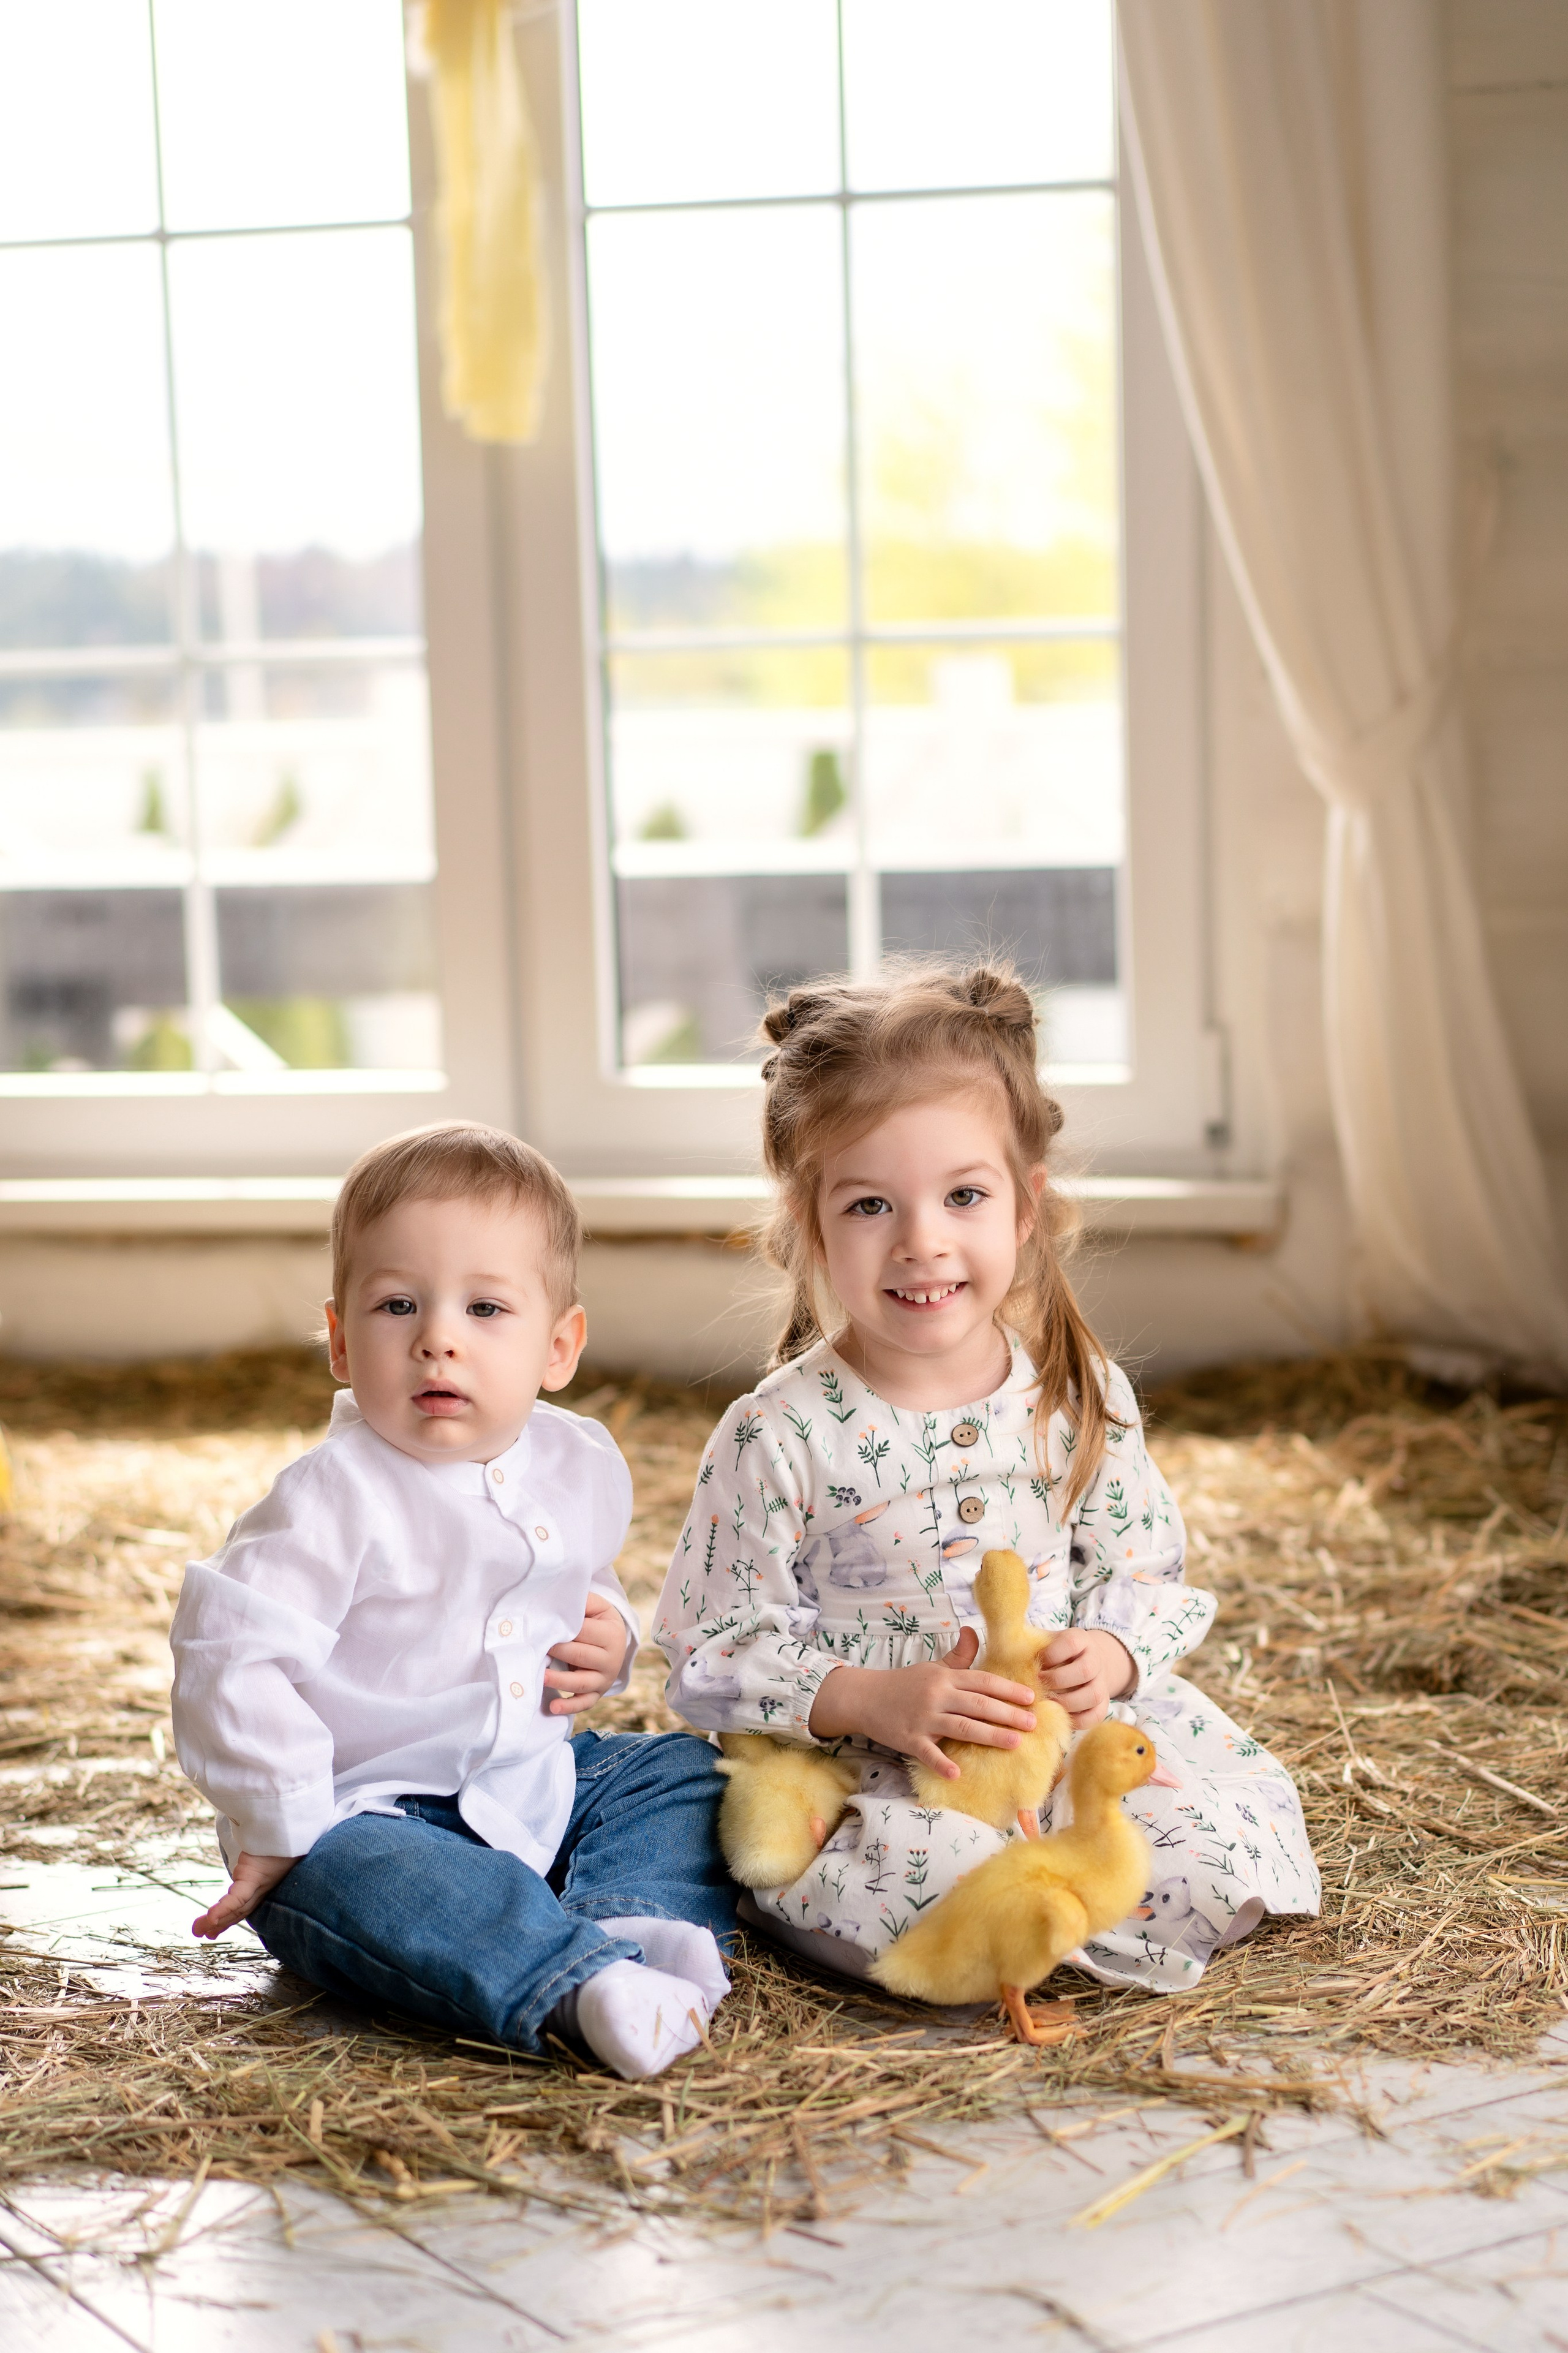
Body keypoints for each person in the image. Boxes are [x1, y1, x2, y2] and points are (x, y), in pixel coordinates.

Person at [652, 967, 1319, 1989]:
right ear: (810, 1220)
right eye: (871, 1202)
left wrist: (1111, 1651)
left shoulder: (1074, 1391)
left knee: (1197, 1842)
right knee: (917, 1876)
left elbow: (1141, 1564)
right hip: (894, 1768)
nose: (924, 1240)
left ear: (1024, 1208)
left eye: (964, 1195)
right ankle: (998, 1934)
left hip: (1061, 1738)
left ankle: (1057, 1912)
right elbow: (707, 1645)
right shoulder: (776, 1434)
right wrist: (866, 1697)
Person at [170, 1122, 734, 2080]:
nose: (438, 1337)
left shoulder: (576, 1458)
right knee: (342, 1876)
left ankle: (633, 1929)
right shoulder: (332, 1494)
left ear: (558, 1345)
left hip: (531, 1787)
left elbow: (578, 1582)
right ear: (343, 1342)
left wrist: (609, 1633)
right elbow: (229, 1651)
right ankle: (575, 1980)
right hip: (375, 1811)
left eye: (484, 1308)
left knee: (681, 1771)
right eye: (399, 1305)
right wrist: (278, 1818)